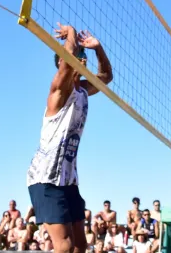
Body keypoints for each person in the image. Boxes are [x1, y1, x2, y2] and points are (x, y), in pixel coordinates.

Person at [26, 23, 114, 253]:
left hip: (68, 180)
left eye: (84, 56)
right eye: (79, 56)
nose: (83, 59)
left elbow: (106, 76)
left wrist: (97, 49)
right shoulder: (58, 91)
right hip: (45, 178)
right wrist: (72, 33)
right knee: (64, 247)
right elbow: (67, 60)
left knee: (80, 246)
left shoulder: (83, 90)